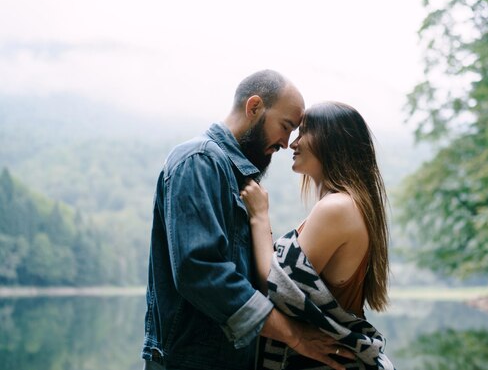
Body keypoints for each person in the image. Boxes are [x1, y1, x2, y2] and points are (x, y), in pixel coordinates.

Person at [141, 70, 354, 370]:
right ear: (254, 107)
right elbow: (200, 271)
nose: (286, 143)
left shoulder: (238, 178)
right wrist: (294, 335)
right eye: (285, 126)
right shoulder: (199, 160)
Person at [241, 101, 394, 369]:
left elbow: (275, 287)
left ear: (332, 140)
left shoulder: (338, 207)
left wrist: (259, 217)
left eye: (304, 132)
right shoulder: (347, 205)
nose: (292, 143)